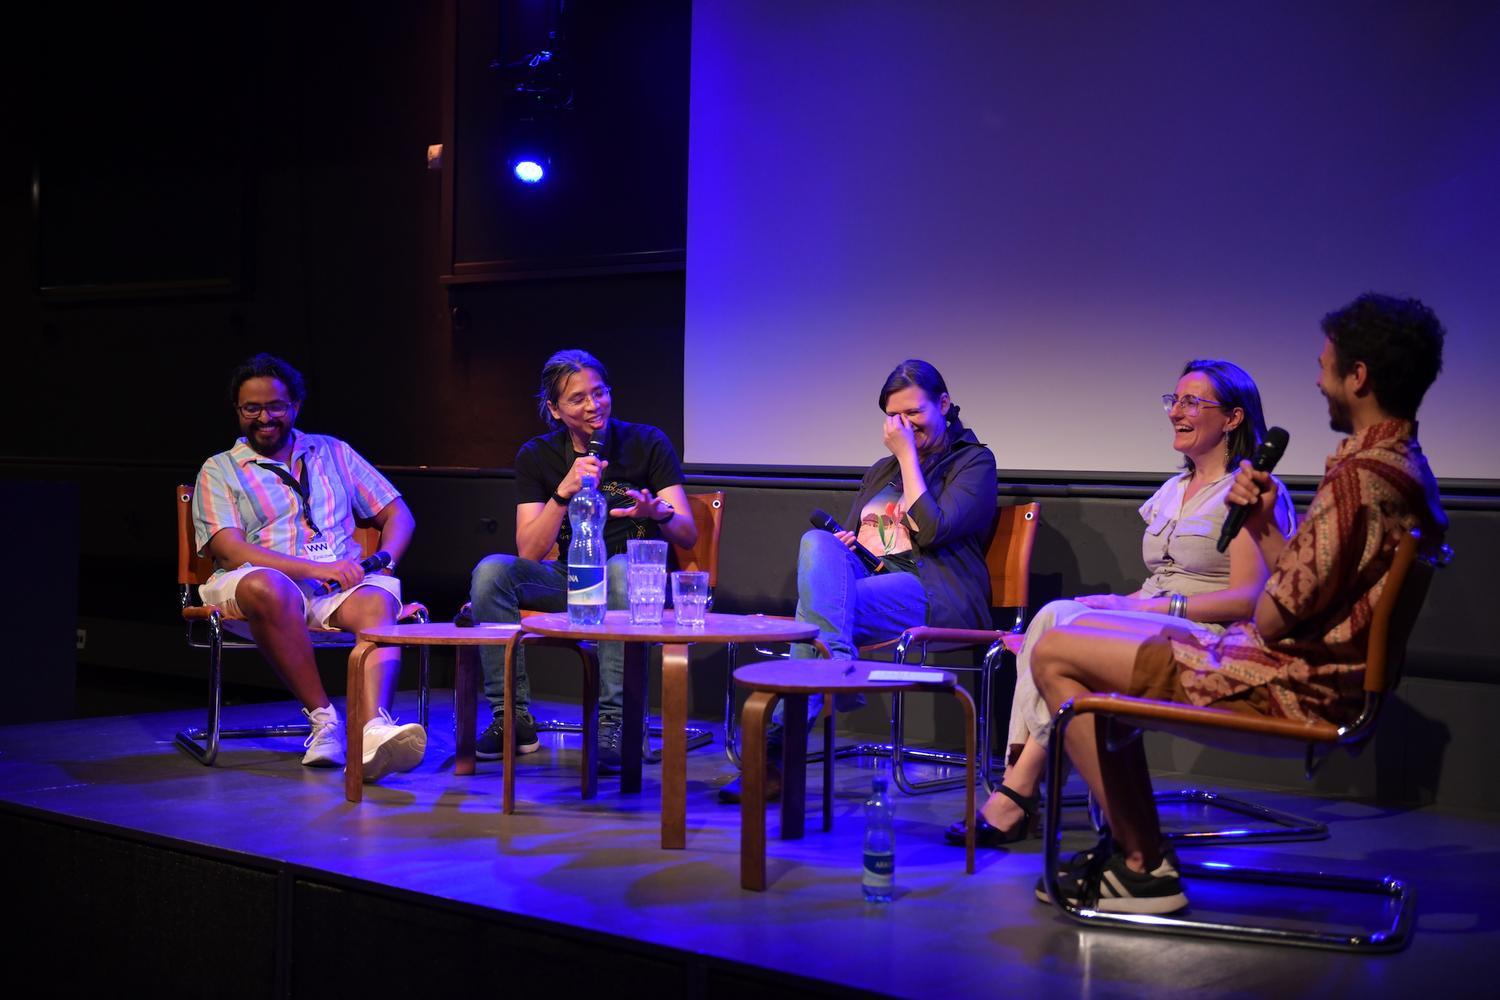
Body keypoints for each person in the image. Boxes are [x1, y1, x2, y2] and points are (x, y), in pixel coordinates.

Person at [1030, 293, 1448, 914]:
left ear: (1358, 376)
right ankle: (1135, 852)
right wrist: (1263, 525)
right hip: (1306, 669)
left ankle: (1142, 865)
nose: (1318, 381)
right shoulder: (1401, 466)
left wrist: (1254, 542)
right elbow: (1307, 589)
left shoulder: (1360, 479)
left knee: (1056, 653)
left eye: (1325, 366)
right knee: (1080, 639)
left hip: (1291, 682)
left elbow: (1273, 615)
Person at [946, 359, 1296, 847]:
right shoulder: (1173, 490)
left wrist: (1146, 610)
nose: (1176, 411)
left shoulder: (1248, 492)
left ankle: (1019, 790)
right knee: (1054, 615)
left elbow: (1249, 599)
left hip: (1208, 635)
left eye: (1192, 402)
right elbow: (1156, 583)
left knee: (1058, 626)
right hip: (1151, 619)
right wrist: (1112, 604)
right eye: (1174, 400)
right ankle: (1024, 783)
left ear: (1233, 418)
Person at [719, 359, 997, 803]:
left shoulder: (973, 462)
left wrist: (907, 457)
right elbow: (845, 542)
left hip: (932, 590)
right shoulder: (881, 471)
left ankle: (774, 756)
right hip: (872, 581)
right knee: (817, 543)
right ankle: (838, 666)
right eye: (894, 416)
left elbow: (932, 531)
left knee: (813, 620)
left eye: (914, 412)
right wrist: (847, 544)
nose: (904, 425)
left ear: (944, 404)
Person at [191, 353, 425, 781]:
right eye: (252, 408)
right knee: (270, 586)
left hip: (334, 588)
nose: (265, 418)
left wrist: (381, 562)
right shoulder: (219, 469)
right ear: (238, 411)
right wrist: (312, 569)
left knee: (378, 599)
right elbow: (228, 549)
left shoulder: (333, 451)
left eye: (275, 406)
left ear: (295, 406)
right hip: (250, 586)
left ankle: (373, 731)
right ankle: (324, 721)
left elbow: (399, 515)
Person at [469, 350, 697, 772]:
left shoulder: (647, 442)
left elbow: (688, 533)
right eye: (578, 399)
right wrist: (563, 491)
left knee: (619, 570)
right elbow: (528, 551)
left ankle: (616, 722)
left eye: (600, 392)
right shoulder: (537, 455)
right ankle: (512, 718)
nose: (594, 405)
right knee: (491, 573)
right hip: (572, 576)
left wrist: (659, 513)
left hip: (634, 579)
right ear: (554, 409)